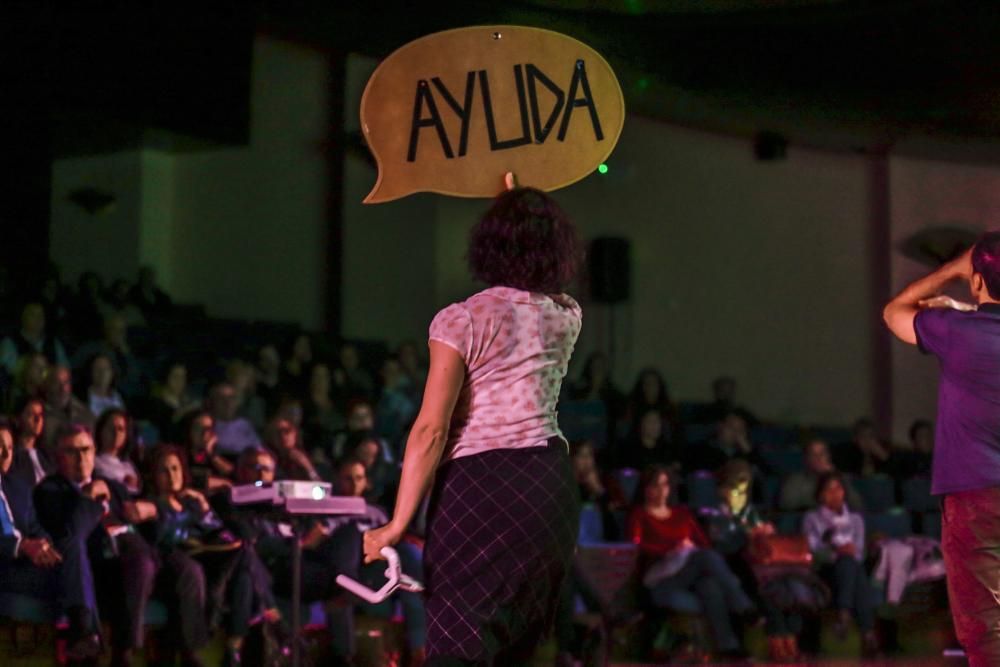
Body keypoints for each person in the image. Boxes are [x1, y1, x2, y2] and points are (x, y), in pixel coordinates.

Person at [362, 186, 583, 667]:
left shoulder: (461, 319)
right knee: (516, 646)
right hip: (549, 484)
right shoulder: (566, 316)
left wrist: (396, 525)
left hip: (482, 485)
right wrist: (522, 203)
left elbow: (431, 431)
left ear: (488, 243)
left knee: (457, 641)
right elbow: (527, 288)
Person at [882, 235, 1000, 666]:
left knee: (986, 630)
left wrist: (950, 271)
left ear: (976, 279)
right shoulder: (963, 325)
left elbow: (894, 313)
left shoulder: (955, 332)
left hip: (975, 497)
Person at [34, 424, 160, 667]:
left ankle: (124, 652)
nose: (82, 458)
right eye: (72, 452)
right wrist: (87, 497)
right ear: (57, 458)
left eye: (86, 450)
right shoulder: (49, 490)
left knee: (142, 560)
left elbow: (146, 528)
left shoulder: (115, 487)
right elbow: (70, 535)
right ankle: (103, 644)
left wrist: (153, 511)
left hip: (130, 567)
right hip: (89, 572)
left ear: (94, 452)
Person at [143, 443, 278, 666]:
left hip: (211, 560)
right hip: (182, 561)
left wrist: (205, 510)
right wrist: (179, 513)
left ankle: (233, 648)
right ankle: (257, 625)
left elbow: (218, 533)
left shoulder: (192, 500)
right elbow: (165, 538)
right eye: (163, 470)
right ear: (153, 475)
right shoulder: (151, 504)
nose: (171, 476)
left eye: (175, 469)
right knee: (243, 560)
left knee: (244, 568)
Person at [227, 447, 359, 666]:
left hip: (302, 567)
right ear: (241, 471)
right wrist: (302, 544)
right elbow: (256, 547)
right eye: (255, 468)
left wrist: (312, 539)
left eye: (267, 469)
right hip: (273, 573)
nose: (262, 475)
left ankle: (344, 655)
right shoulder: (237, 504)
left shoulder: (286, 502)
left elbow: (315, 527)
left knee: (350, 533)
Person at [628, 465, 756, 660]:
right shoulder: (640, 515)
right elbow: (636, 548)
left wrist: (686, 547)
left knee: (710, 585)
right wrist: (671, 550)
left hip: (689, 569)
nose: (662, 490)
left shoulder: (682, 514)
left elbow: (703, 543)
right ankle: (743, 606)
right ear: (645, 488)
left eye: (665, 485)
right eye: (656, 485)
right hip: (662, 578)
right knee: (705, 558)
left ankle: (728, 647)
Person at [802, 472, 877, 656]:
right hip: (825, 572)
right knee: (850, 566)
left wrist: (845, 553)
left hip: (850, 571)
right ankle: (867, 634)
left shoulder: (856, 520)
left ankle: (844, 615)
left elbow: (860, 552)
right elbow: (813, 551)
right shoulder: (812, 518)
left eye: (838, 488)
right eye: (829, 489)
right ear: (820, 494)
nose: (835, 493)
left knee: (851, 564)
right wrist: (836, 552)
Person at [779, 439, 863, 512]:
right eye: (813, 454)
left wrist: (836, 476)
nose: (818, 458)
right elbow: (786, 504)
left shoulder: (840, 478)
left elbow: (857, 506)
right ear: (807, 459)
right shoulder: (795, 481)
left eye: (822, 454)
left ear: (828, 457)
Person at [0, 302, 69, 378]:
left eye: (41, 315)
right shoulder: (10, 343)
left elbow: (65, 370)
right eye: (33, 315)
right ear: (23, 317)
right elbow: (9, 373)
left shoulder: (54, 343)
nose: (38, 319)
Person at [42, 364, 95, 454]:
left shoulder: (83, 413)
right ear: (46, 385)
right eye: (56, 383)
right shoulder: (38, 414)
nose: (63, 388)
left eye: (66, 382)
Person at [93, 409, 141, 496]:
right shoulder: (93, 461)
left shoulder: (129, 466)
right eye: (111, 428)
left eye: (120, 429)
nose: (116, 433)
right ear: (101, 430)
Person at [208, 381, 261, 457]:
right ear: (212, 402)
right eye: (221, 398)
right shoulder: (207, 425)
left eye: (231, 398)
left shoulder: (245, 425)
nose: (227, 402)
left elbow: (259, 451)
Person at [9, 397, 54, 486]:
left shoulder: (47, 456)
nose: (38, 419)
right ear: (18, 419)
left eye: (40, 414)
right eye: (31, 414)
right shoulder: (11, 457)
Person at [83, 353, 126, 418]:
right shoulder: (83, 397)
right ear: (90, 372)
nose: (102, 373)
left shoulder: (118, 396)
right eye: (97, 369)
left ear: (112, 372)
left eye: (106, 369)